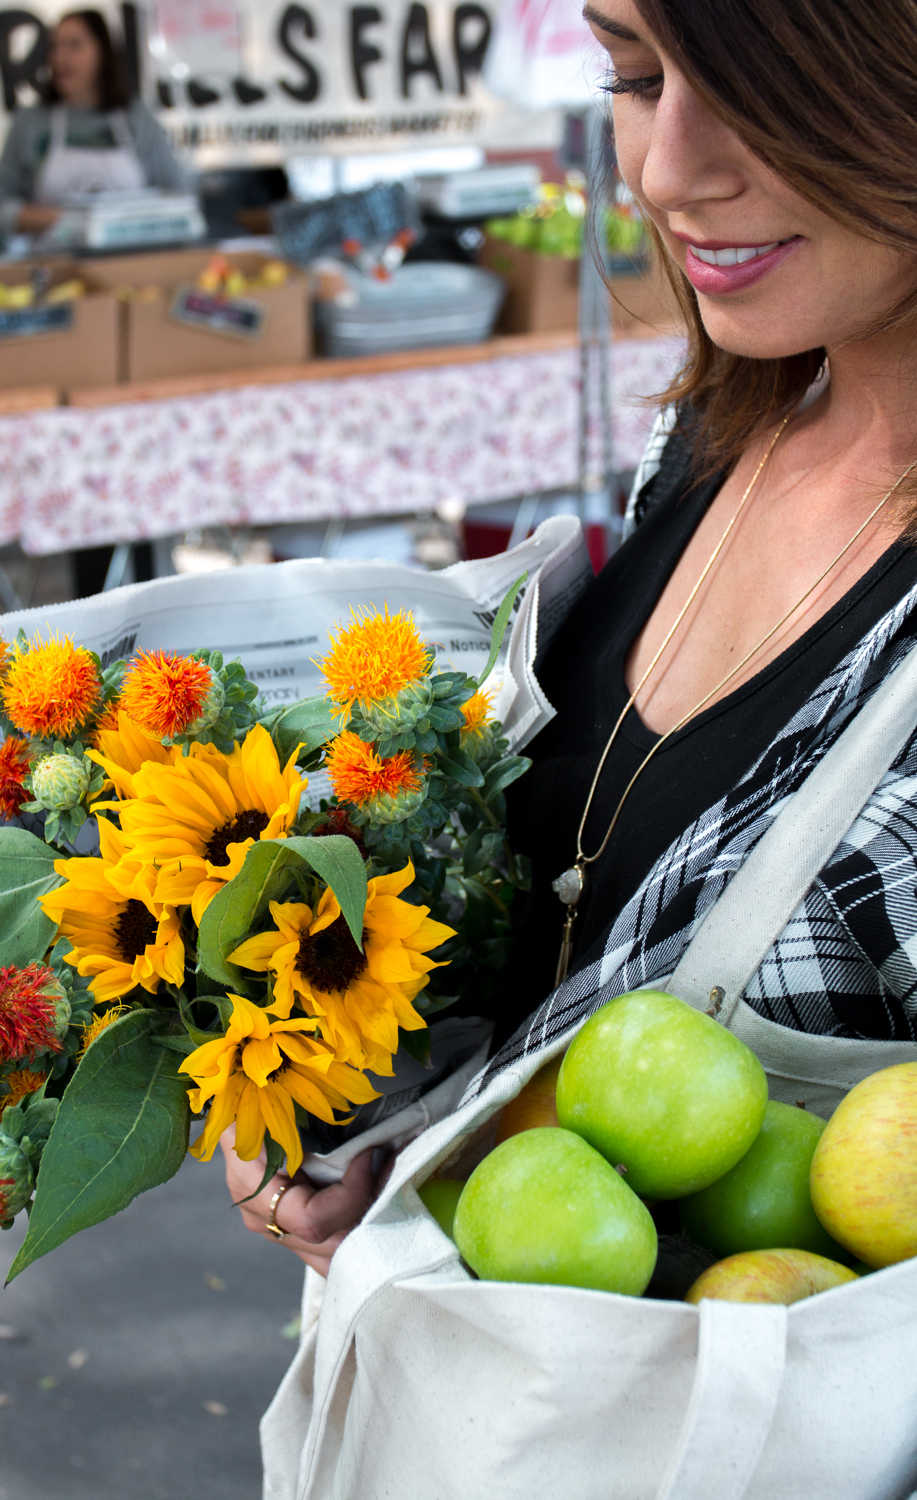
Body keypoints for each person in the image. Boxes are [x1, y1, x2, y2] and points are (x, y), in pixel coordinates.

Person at [225, 0, 917, 1295]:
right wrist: (379, 1133)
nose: (665, 170)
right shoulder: (708, 445)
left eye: (760, 86)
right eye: (638, 74)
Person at [0, 9, 187, 243]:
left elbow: (179, 193)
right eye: (55, 47)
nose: (60, 57)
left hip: (135, 267)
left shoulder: (136, 119)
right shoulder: (30, 123)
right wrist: (60, 219)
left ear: (103, 52)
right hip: (55, 267)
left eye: (74, 45)